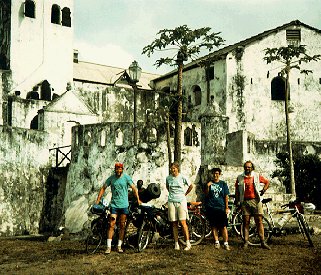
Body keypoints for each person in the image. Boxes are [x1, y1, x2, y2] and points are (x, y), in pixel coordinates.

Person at [95, 162, 141, 254]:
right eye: (117, 169)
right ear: (115, 169)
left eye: (120, 169)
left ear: (122, 169)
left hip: (124, 205)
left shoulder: (126, 178)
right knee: (111, 224)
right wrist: (98, 199)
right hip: (114, 205)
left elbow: (134, 188)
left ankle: (119, 246)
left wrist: (138, 199)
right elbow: (103, 187)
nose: (118, 170)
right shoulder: (111, 178)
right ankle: (108, 247)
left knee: (122, 225)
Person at [234, 160, 271, 250]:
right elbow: (237, 189)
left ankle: (262, 241)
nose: (247, 168)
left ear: (252, 168)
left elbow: (267, 182)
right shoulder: (240, 177)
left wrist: (263, 190)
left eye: (249, 167)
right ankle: (246, 242)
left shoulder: (257, 176)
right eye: (246, 167)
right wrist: (237, 200)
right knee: (246, 222)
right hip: (245, 201)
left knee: (259, 221)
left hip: (256, 200)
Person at [166, 161, 193, 251]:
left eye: (174, 168)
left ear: (177, 168)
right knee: (174, 223)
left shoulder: (182, 177)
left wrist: (185, 194)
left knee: (182, 222)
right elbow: (167, 187)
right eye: (171, 168)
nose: (173, 170)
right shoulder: (168, 178)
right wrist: (171, 195)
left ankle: (188, 243)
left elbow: (191, 186)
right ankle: (176, 243)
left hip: (181, 201)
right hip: (171, 201)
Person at [204, 168, 231, 250]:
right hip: (211, 207)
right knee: (214, 225)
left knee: (223, 226)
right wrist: (207, 186)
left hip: (221, 207)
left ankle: (226, 243)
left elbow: (226, 196)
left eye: (217, 173)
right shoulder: (209, 183)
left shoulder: (223, 184)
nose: (215, 175)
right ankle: (216, 242)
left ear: (219, 174)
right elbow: (206, 194)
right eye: (214, 173)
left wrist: (226, 207)